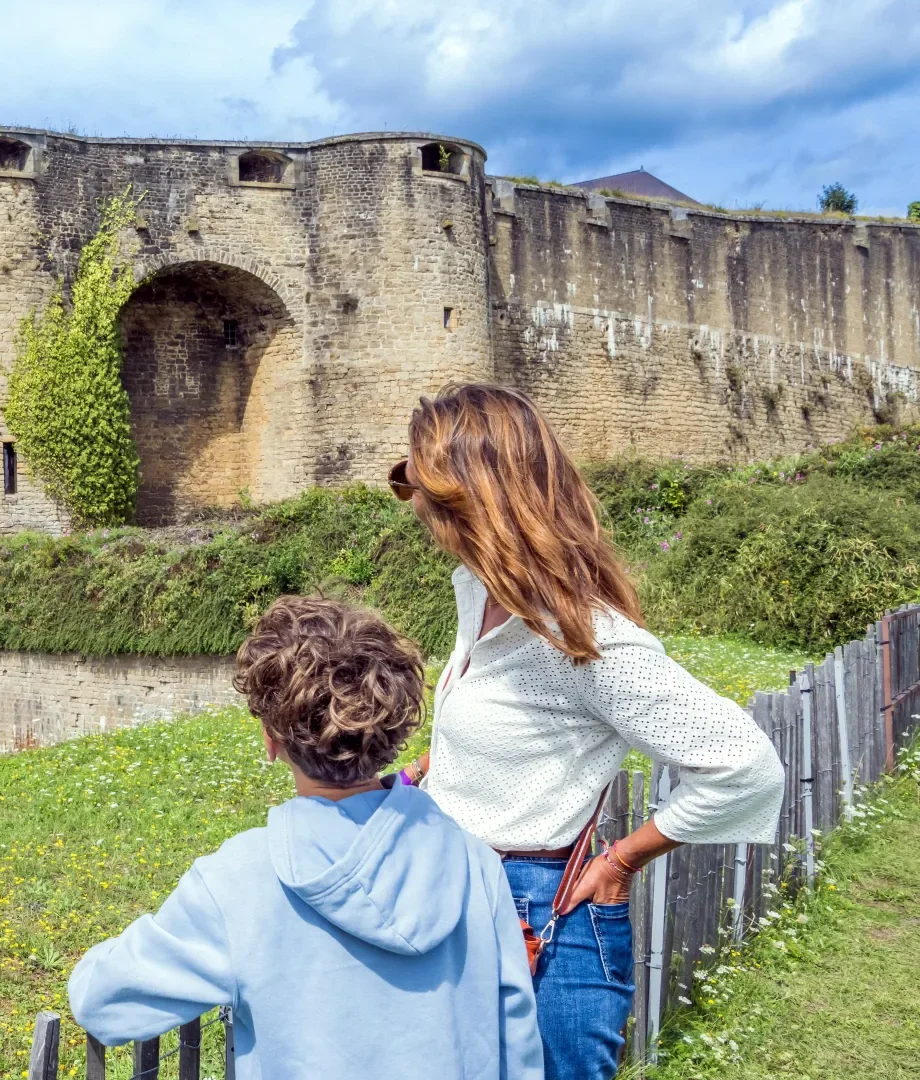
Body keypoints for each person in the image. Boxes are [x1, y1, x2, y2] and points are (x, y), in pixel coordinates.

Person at [389, 384, 785, 1080]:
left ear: (470, 496)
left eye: (417, 483)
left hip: (541, 913)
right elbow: (526, 729)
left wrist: (622, 858)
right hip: (462, 893)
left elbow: (743, 764)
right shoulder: (481, 596)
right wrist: (437, 767)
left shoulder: (582, 636)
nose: (411, 503)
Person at [69, 596, 542, 1080]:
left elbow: (103, 1003)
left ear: (271, 740)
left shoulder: (236, 882)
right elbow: (517, 1035)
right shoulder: (472, 861)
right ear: (394, 730)